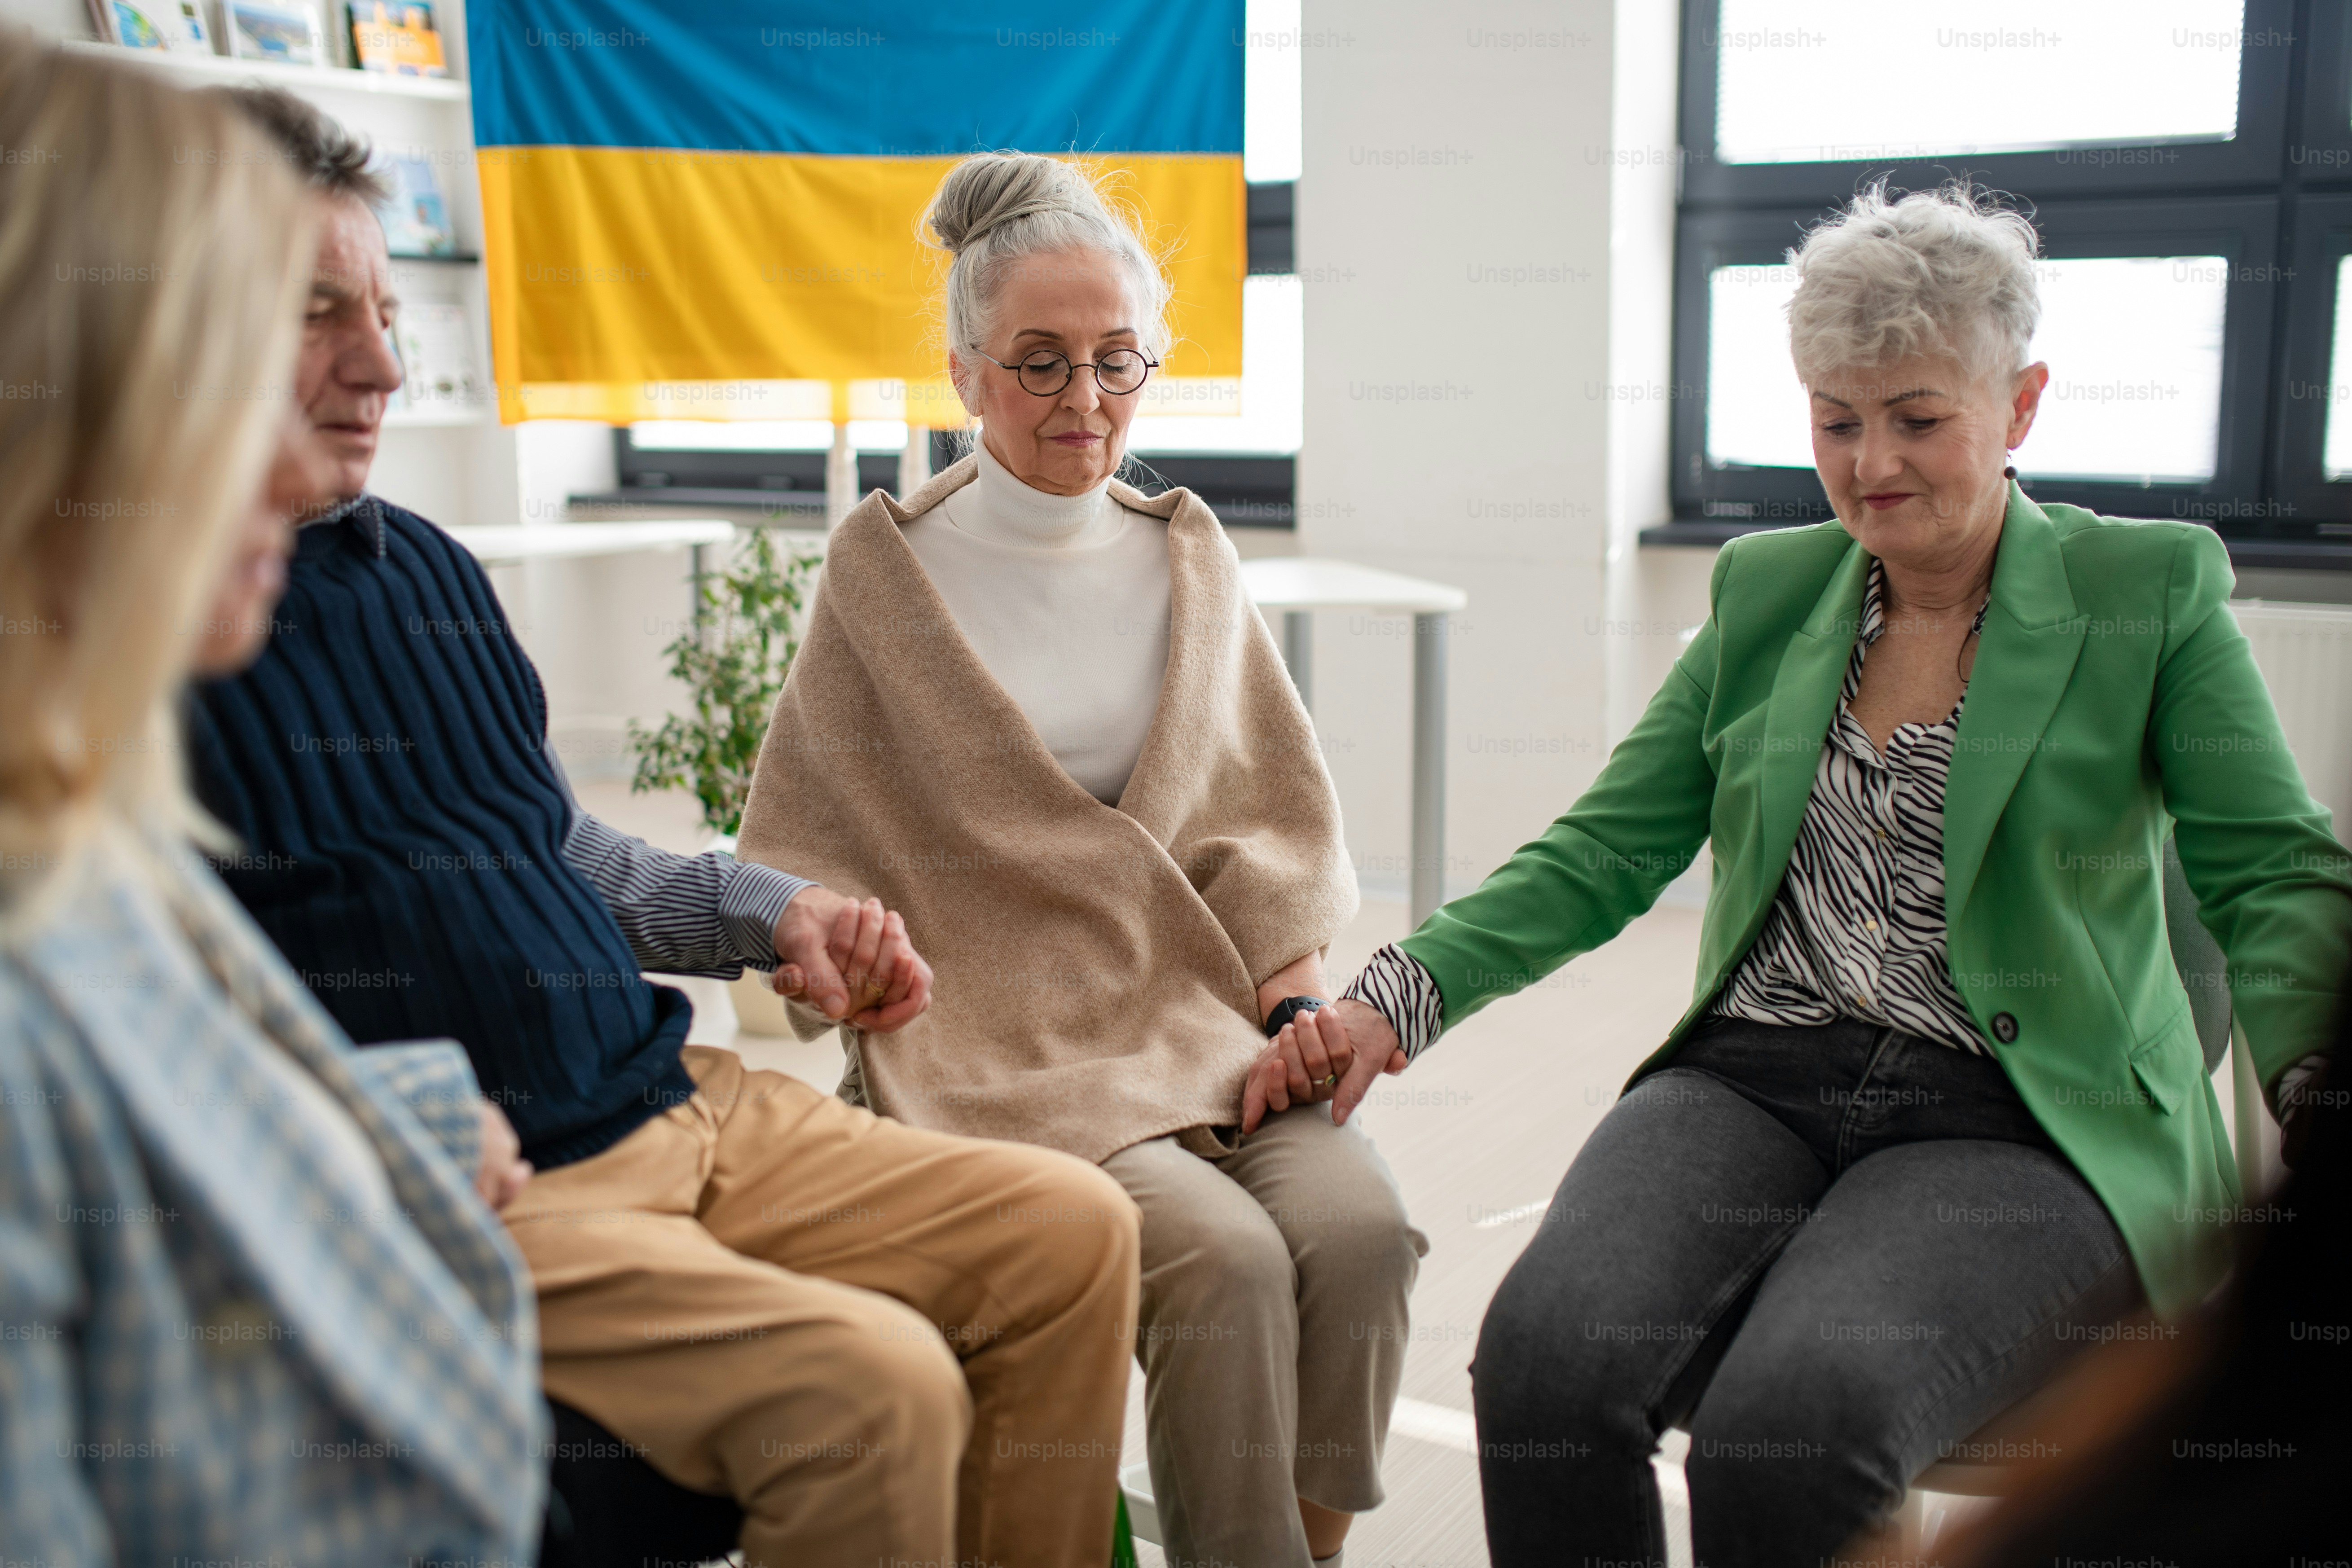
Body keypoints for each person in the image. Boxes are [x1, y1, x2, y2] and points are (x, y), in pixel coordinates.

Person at [1262, 182, 2352, 1567]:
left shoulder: (2146, 591)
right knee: (1542, 1372)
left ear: (2018, 409)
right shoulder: (1771, 591)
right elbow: (1609, 845)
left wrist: (2322, 1084)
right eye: (1836, 419)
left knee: (1792, 1430)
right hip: (1756, 1073)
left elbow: (2272, 867)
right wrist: (1392, 998)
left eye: (1916, 417)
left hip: (2018, 1112)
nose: (1868, 463)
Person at [181, 90, 1140, 1568]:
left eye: (382, 307)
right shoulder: (118, 647)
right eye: (319, 316)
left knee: (1075, 1232)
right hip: (498, 1179)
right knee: (872, 1390)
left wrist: (777, 914)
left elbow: (561, 852)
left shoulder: (424, 566)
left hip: (681, 1093)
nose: (380, 363)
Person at [734, 150, 1427, 1568]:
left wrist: (1298, 1011)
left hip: (1199, 1019)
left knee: (1360, 1240)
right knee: (1223, 1270)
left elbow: (1263, 834)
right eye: (1040, 365)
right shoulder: (884, 576)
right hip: (992, 1045)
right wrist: (852, 970)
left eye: (1120, 362)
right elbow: (800, 848)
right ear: (965, 371)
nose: (1086, 402)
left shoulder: (1189, 554)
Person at [0, 38, 542, 1563]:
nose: (322, 425)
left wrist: (410, 1112)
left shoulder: (85, 818)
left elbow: (149, 1105)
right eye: (230, 360)